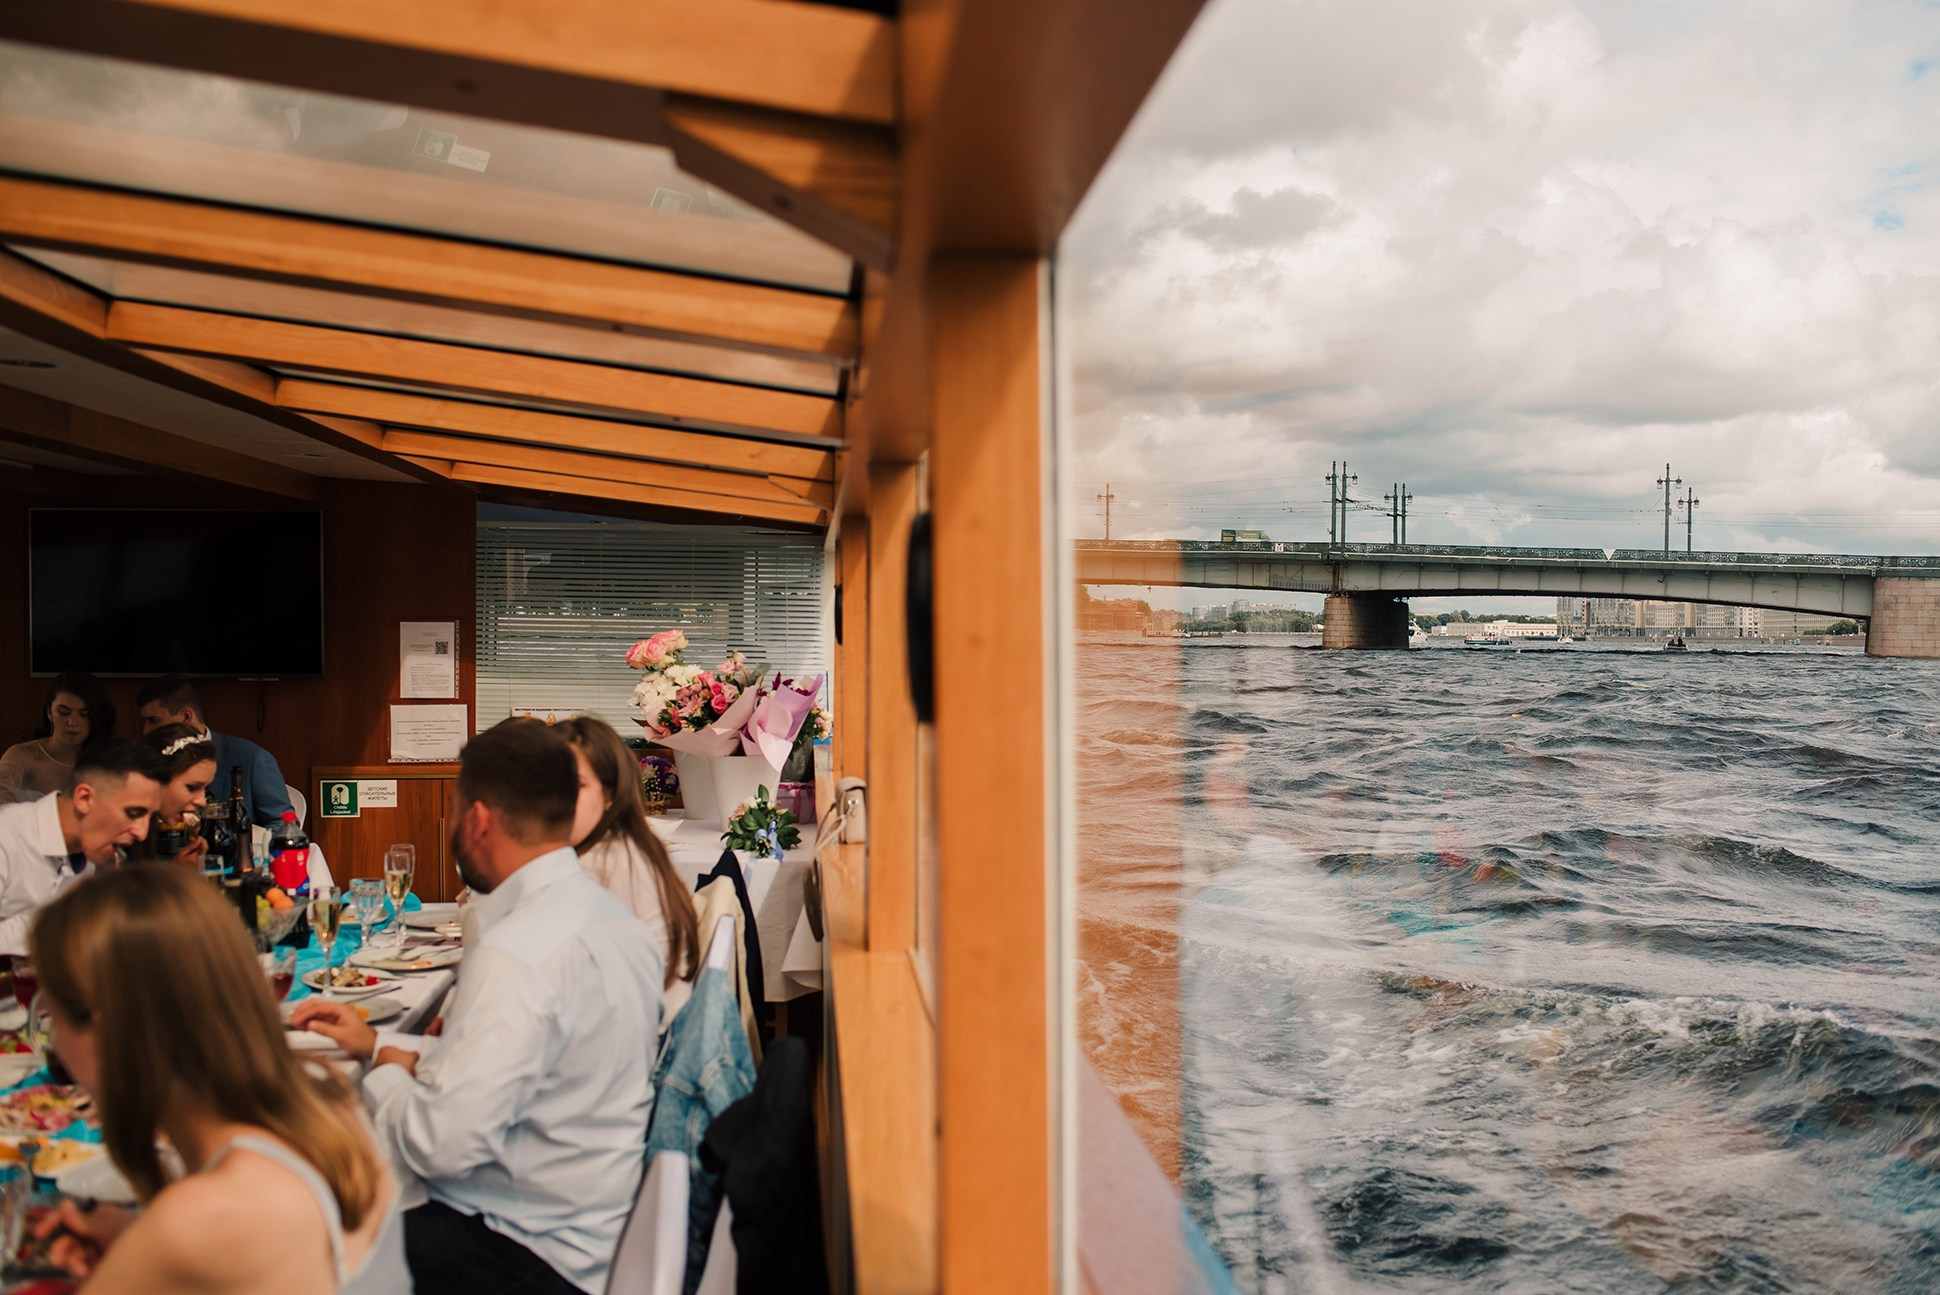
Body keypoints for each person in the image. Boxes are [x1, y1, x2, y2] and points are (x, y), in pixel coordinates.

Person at [293, 719, 662, 1295]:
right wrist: (382, 1045)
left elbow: (442, 1146)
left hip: (524, 1247)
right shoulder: (612, 918)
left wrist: (385, 1075)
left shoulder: (518, 951)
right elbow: (528, 1065)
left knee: (295, 1234)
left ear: (479, 819)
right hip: (593, 1219)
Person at [28, 866, 408, 1293]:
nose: (55, 1045)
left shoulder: (197, 1221)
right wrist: (135, 1243)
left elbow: (212, 1234)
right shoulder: (328, 1102)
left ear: (108, 1032)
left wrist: (145, 1248)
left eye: (52, 1020)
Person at [560, 716, 700, 1021]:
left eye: (577, 784)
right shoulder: (629, 844)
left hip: (641, 1038)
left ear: (609, 795)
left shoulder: (598, 865)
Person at [0, 739, 164, 955]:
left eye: (149, 817)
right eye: (133, 813)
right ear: (84, 798)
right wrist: (62, 916)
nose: (141, 832)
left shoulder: (89, 852)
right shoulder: (8, 835)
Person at [136, 674, 293, 829]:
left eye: (153, 720)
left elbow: (284, 827)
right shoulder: (147, 762)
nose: (146, 730)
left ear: (186, 715)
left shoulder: (252, 759)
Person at [0, 671, 116, 805]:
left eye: (84, 714)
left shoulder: (108, 761)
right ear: (49, 712)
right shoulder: (23, 755)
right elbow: (2, 796)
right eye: (64, 712)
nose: (72, 722)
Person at [126, 724, 218, 870]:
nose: (202, 801)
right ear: (157, 778)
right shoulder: (118, 833)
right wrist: (177, 874)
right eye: (192, 787)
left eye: (204, 788)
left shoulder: (147, 830)